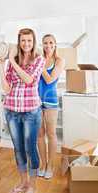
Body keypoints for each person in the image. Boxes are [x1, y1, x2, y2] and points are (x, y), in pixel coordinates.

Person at [0, 28, 45, 193]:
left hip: (31, 111)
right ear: (19, 42)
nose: (26, 44)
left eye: (29, 41)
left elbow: (29, 80)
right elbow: (6, 88)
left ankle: (32, 185)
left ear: (34, 42)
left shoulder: (39, 59)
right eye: (23, 40)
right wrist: (0, 65)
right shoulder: (12, 61)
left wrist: (12, 60)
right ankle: (23, 182)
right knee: (18, 149)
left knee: (30, 148)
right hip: (11, 110)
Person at [37, 34, 65, 179]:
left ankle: (50, 166)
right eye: (45, 43)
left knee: (51, 134)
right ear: (42, 45)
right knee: (39, 135)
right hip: (36, 101)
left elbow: (49, 80)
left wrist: (39, 65)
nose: (48, 46)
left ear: (55, 44)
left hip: (50, 101)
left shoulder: (59, 61)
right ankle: (43, 164)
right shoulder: (38, 59)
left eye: (51, 43)